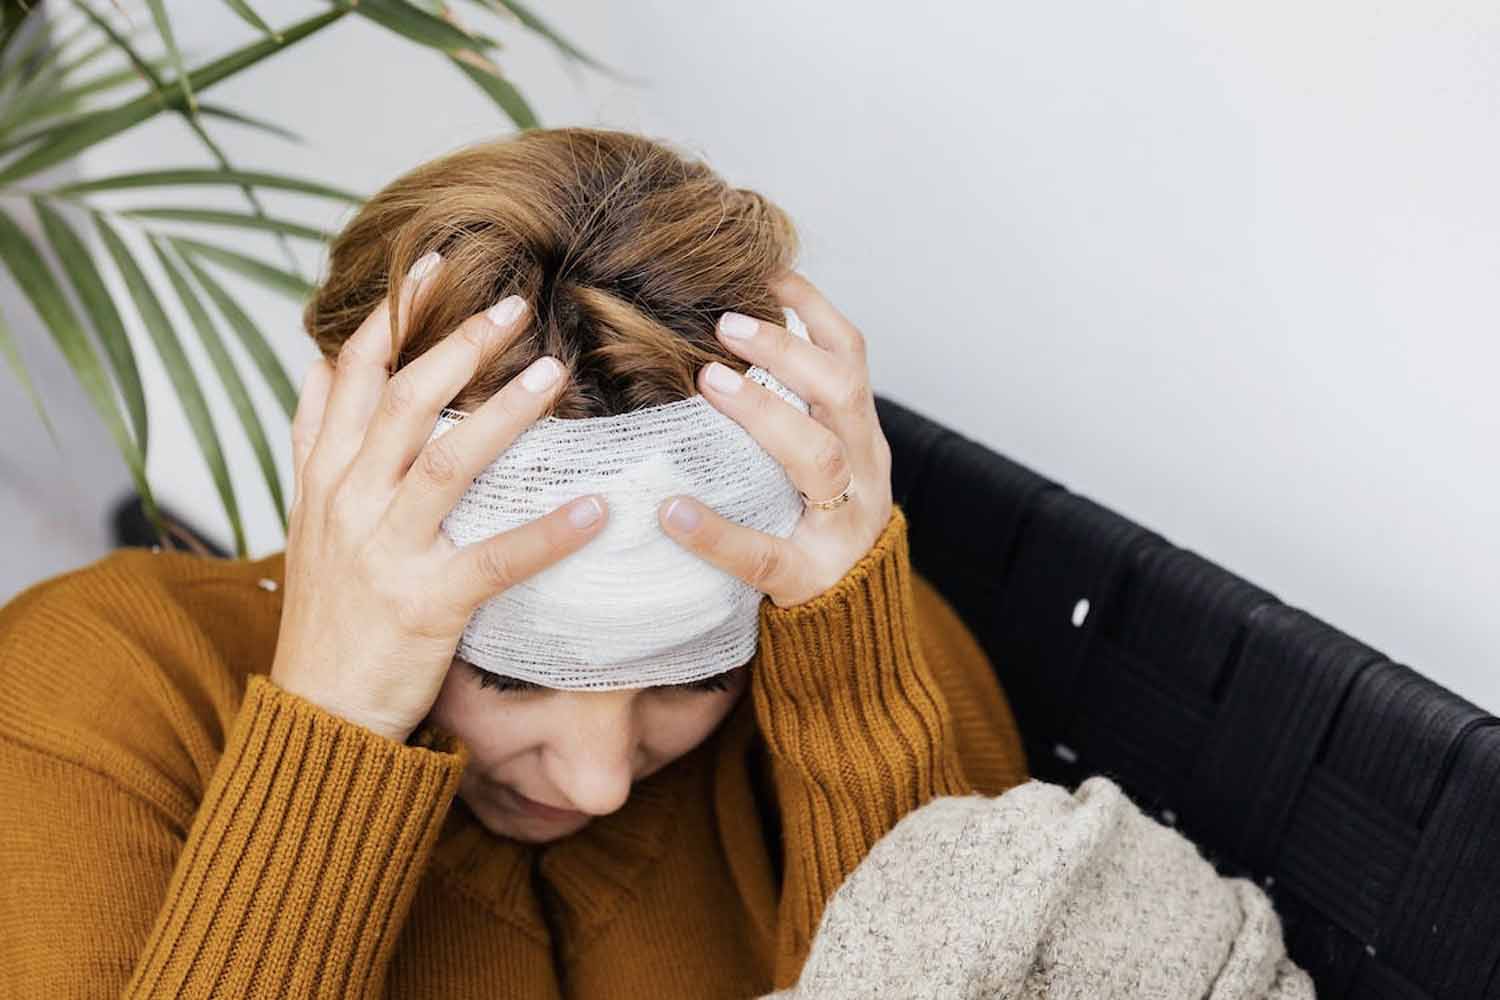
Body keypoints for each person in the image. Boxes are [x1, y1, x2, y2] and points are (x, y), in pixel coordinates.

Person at [0, 127, 1027, 998]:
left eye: (695, 673)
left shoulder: (848, 640)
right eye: (512, 674)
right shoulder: (99, 690)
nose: (597, 784)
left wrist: (854, 683)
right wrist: (336, 724)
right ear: (336, 466)